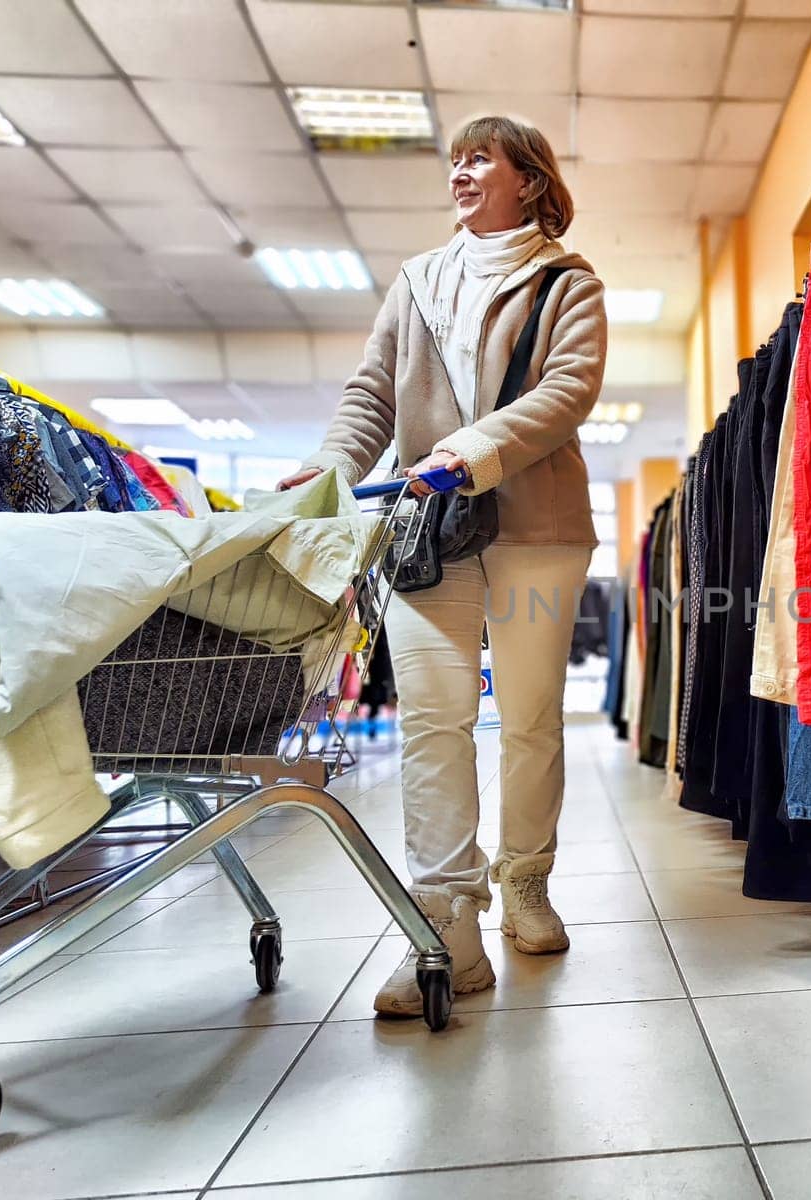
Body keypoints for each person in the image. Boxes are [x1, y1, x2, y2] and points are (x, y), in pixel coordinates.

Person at [277, 116, 606, 1016]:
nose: (460, 171)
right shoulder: (418, 280)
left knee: (532, 718)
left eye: (480, 159)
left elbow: (568, 392)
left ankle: (526, 880)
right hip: (430, 531)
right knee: (434, 720)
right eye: (455, 159)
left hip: (538, 529)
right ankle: (445, 921)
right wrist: (335, 467)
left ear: (528, 180)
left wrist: (472, 449)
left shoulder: (568, 281)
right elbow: (372, 394)